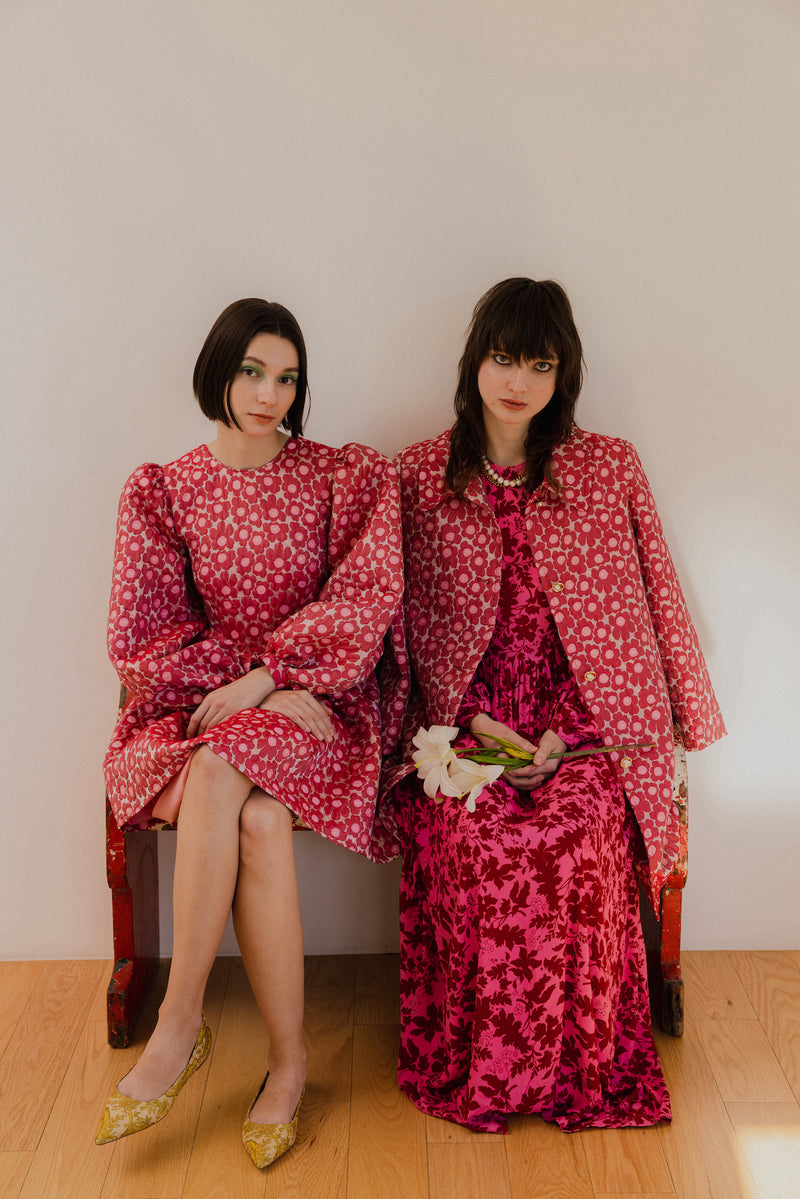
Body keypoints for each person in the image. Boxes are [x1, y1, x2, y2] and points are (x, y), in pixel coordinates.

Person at [384, 277, 725, 1133]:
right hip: (458, 735)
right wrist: (466, 732)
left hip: (584, 730)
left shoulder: (608, 466)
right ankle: (489, 1073)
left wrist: (572, 735)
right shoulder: (418, 474)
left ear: (563, 374)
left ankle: (579, 1072)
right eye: (505, 357)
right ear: (475, 361)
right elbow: (389, 621)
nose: (519, 381)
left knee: (574, 840)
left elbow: (652, 597)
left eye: (540, 364)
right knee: (481, 841)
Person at [96, 298, 406, 1166]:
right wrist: (234, 692)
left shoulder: (338, 476)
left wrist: (269, 680)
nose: (271, 394)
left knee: (222, 766)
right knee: (259, 820)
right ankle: (289, 1062)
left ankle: (180, 1021)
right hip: (202, 709)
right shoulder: (164, 490)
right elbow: (142, 639)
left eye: (287, 378)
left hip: (315, 706)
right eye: (252, 372)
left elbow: (365, 601)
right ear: (219, 371)